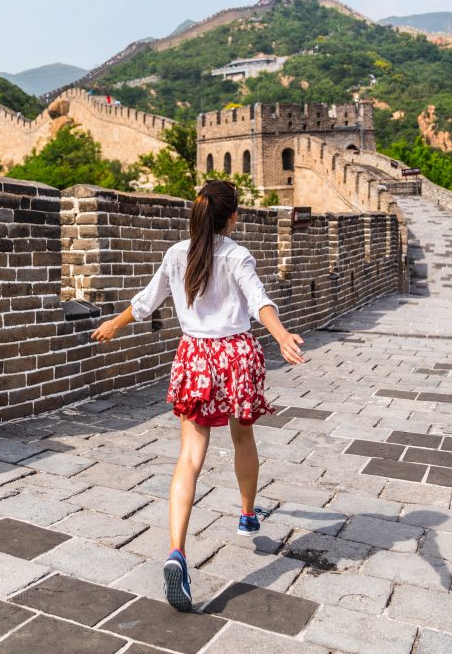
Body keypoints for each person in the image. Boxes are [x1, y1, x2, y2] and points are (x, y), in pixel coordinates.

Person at [91, 180, 305, 612]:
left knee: (190, 455)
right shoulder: (237, 255)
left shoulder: (176, 254)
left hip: (195, 357)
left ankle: (177, 552)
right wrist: (281, 335)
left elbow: (146, 303)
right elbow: (259, 301)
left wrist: (114, 324)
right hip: (236, 355)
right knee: (242, 437)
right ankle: (247, 515)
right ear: (233, 217)